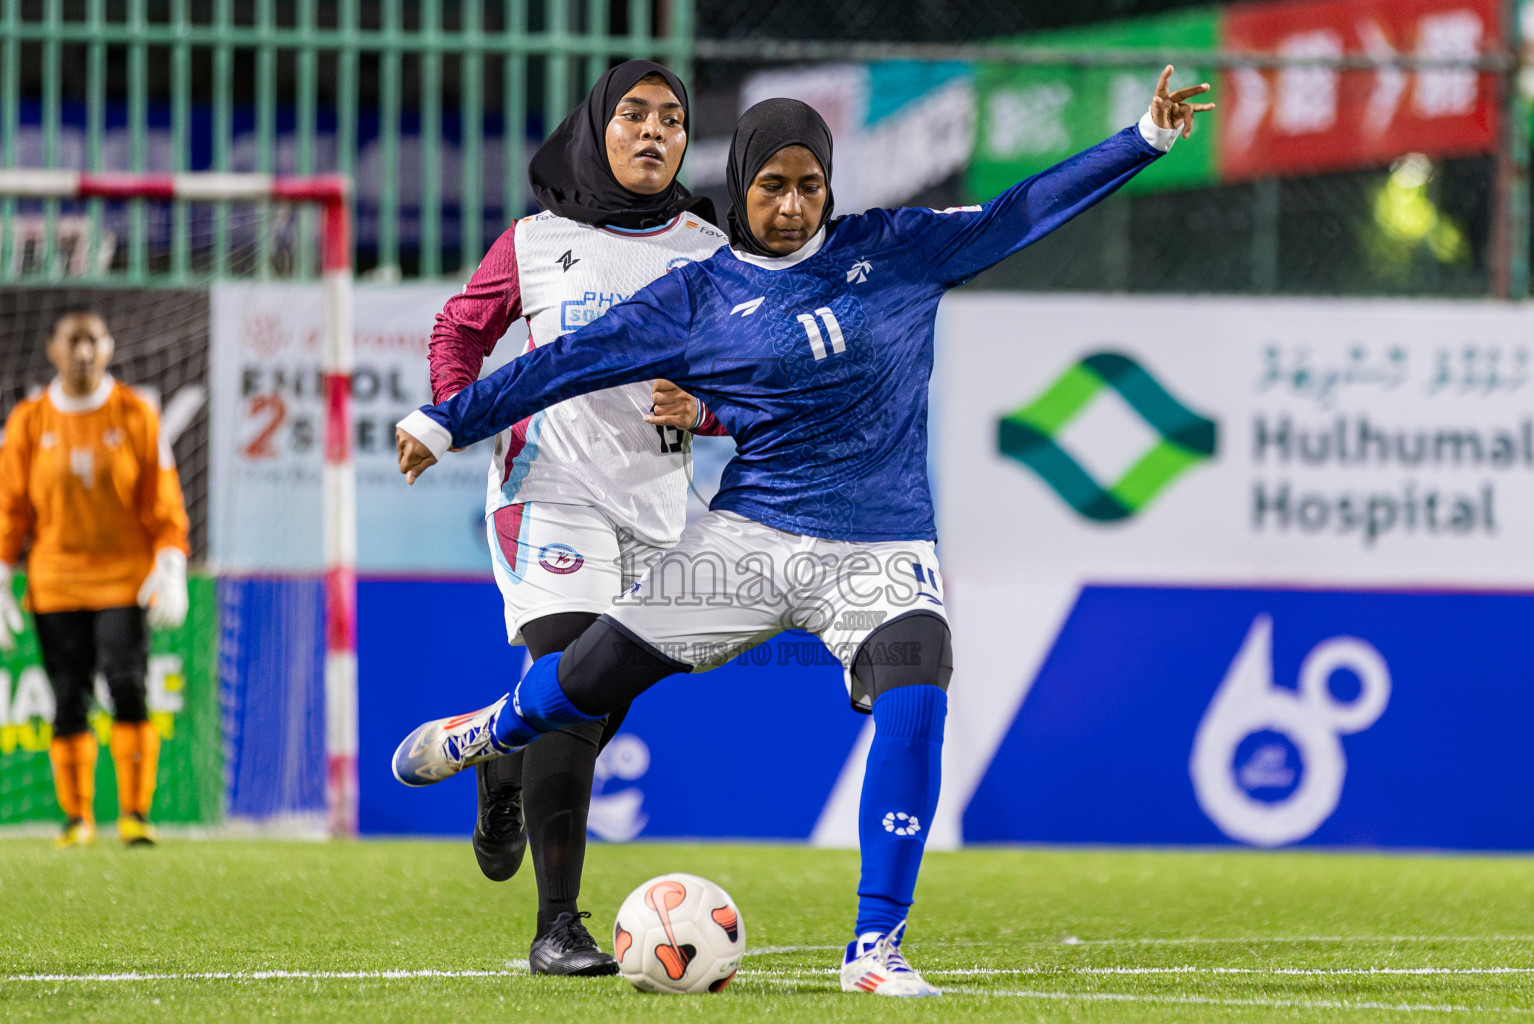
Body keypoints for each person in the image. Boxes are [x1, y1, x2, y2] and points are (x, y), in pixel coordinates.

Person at [393, 67, 1213, 996]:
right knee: (588, 679)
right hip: (749, 540)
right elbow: (566, 364)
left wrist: (1141, 140)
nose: (792, 206)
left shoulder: (897, 249)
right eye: (772, 186)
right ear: (741, 186)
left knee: (918, 695)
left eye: (810, 185)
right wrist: (446, 420)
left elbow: (1023, 210)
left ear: (830, 184)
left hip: (880, 547)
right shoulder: (696, 294)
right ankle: (491, 730)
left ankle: (876, 948)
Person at [426, 59, 728, 975]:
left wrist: (706, 412)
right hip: (547, 486)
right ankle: (557, 927)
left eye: (671, 119)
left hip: (657, 507)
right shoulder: (536, 239)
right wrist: (459, 412)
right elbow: (459, 329)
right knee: (568, 678)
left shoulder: (711, 250)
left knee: (589, 701)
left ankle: (499, 757)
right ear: (598, 128)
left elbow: (756, 377)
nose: (653, 131)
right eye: (633, 114)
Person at [0, 311, 190, 848]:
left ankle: (135, 815)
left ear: (108, 348)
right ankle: (77, 819)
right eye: (73, 341)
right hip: (55, 582)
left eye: (93, 340)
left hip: (123, 580)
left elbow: (163, 497)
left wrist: (171, 563)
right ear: (52, 349)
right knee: (67, 696)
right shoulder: (28, 421)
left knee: (127, 685)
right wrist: (2, 574)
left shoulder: (136, 413)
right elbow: (10, 507)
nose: (83, 351)